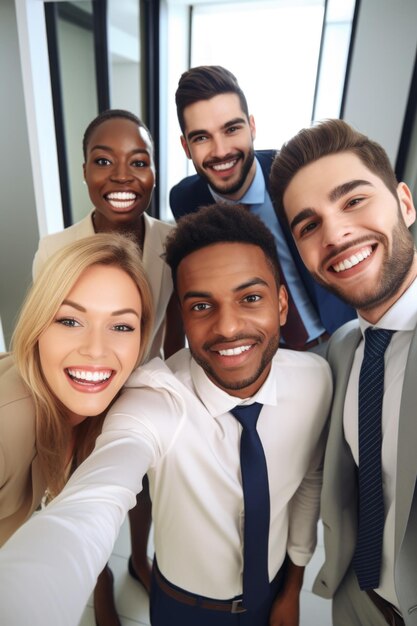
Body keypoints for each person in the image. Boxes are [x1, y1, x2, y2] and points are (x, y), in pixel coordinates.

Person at [0, 203, 332, 626]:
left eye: (250, 298)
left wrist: (292, 586)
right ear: (182, 320)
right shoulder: (152, 398)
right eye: (201, 306)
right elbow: (95, 500)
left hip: (274, 588)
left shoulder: (316, 381)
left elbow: (309, 481)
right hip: (182, 605)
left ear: (282, 303)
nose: (228, 327)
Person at [33, 109, 184, 624]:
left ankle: (138, 558)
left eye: (137, 162)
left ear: (154, 174)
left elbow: (175, 328)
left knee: (139, 487)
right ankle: (100, 584)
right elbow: (46, 331)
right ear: (83, 171)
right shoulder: (55, 248)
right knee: (79, 487)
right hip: (76, 391)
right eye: (104, 161)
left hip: (138, 386)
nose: (121, 176)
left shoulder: (171, 242)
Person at [270, 118, 417, 626]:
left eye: (353, 200)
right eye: (309, 225)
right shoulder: (342, 350)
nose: (335, 234)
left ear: (405, 203)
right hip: (357, 602)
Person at [0, 232, 153, 608]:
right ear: (37, 328)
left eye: (120, 326)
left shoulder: (92, 408)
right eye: (69, 321)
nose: (96, 350)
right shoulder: (7, 428)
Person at [169, 65, 356, 350]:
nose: (220, 151)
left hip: (338, 336)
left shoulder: (296, 175)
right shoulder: (185, 200)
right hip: (261, 352)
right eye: (202, 137)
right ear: (185, 146)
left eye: (231, 129)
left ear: (252, 127)